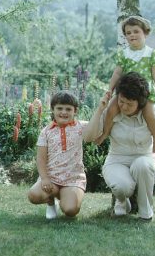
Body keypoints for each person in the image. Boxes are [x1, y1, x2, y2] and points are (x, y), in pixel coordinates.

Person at [86, 71, 155, 220]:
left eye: (130, 104)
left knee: (141, 165)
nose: (124, 106)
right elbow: (88, 137)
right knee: (122, 186)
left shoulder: (151, 112)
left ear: (140, 103)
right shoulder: (112, 110)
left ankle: (146, 212)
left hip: (146, 158)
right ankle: (122, 201)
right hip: (117, 159)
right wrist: (100, 109)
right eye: (122, 101)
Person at [27, 90, 107, 219]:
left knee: (70, 210)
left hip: (73, 179)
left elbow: (94, 132)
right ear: (53, 109)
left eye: (68, 109)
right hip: (51, 178)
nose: (64, 112)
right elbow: (41, 159)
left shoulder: (81, 127)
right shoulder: (46, 132)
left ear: (75, 111)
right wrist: (45, 178)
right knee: (33, 195)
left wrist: (101, 108)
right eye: (59, 108)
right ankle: (50, 201)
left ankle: (64, 197)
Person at [95, 15, 155, 153]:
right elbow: (117, 73)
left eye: (136, 31)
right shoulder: (124, 54)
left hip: (145, 90)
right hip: (125, 90)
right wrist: (110, 90)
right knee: (111, 109)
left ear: (145, 33)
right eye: (128, 33)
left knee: (149, 113)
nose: (132, 35)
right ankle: (105, 133)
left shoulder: (151, 53)